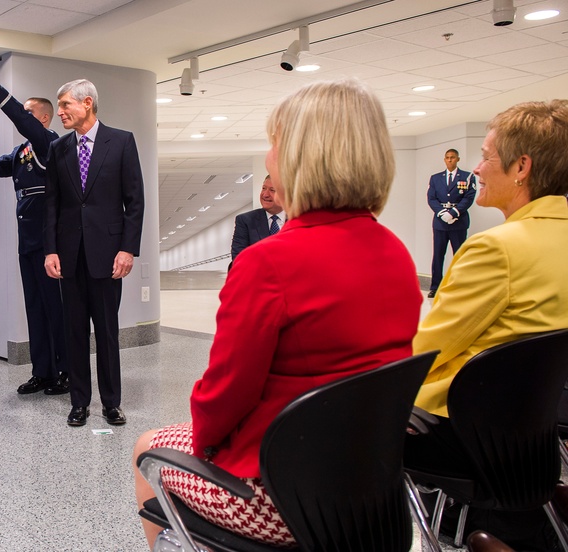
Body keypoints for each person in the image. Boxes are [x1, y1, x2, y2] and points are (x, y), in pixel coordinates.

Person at [132, 79, 422, 549]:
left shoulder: (269, 262)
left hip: (282, 496)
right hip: (368, 487)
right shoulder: (395, 253)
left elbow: (223, 397)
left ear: (300, 158)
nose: (268, 158)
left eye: (275, 142)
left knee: (147, 447)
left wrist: (207, 445)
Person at [406, 99, 568, 550]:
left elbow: (426, 350)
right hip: (533, 438)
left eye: (486, 156)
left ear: (522, 167)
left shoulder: (495, 249)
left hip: (465, 434)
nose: (476, 168)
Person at [44, 78, 145, 427]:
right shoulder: (58, 149)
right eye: (59, 107)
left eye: (65, 106)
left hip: (107, 255)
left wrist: (128, 249)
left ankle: (112, 403)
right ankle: (79, 402)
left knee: (106, 332)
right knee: (74, 332)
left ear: (87, 103)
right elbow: (52, 205)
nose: (60, 113)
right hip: (69, 256)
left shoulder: (121, 142)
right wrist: (50, 250)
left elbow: (134, 202)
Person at [0, 57, 68, 396]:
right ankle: (43, 372)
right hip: (29, 244)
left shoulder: (49, 143)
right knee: (35, 309)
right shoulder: (23, 150)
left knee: (56, 310)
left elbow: (21, 120)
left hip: (51, 244)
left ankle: (65, 372)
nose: (23, 116)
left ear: (43, 117)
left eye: (29, 112)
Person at [427, 148, 477, 297]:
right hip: (440, 222)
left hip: (458, 221)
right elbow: (431, 198)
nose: (450, 160)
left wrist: (454, 213)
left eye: (453, 157)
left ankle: (461, 285)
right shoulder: (436, 178)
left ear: (458, 159)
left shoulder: (467, 177)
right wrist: (442, 213)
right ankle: (436, 286)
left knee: (459, 255)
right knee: (438, 255)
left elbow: (468, 198)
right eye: (447, 157)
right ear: (444, 159)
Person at [228, 174, 283, 269]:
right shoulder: (245, 221)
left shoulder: (299, 220)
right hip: (258, 279)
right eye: (263, 188)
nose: (265, 194)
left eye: (272, 190)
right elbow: (239, 258)